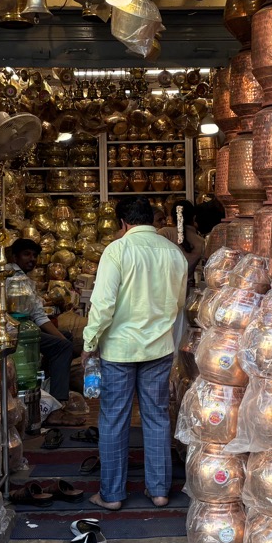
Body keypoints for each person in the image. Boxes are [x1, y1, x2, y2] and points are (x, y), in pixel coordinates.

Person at [82, 196, 187, 511]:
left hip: (119, 349)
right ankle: (159, 492)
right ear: (152, 220)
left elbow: (102, 305)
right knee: (156, 417)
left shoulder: (117, 250)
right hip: (159, 348)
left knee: (115, 419)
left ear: (123, 224)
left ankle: (112, 495)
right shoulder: (174, 253)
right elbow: (179, 304)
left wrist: (89, 343)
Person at [8, 238, 74, 402]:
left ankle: (46, 387)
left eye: (34, 255)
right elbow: (39, 317)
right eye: (26, 254)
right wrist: (61, 340)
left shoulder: (21, 277)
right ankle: (59, 399)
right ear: (15, 257)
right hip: (15, 331)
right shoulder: (16, 279)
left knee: (67, 338)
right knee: (64, 346)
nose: (32, 259)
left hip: (22, 328)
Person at [159, 200, 205, 285]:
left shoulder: (165, 233)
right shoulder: (202, 242)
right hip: (185, 291)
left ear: (172, 218)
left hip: (163, 288)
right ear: (194, 218)